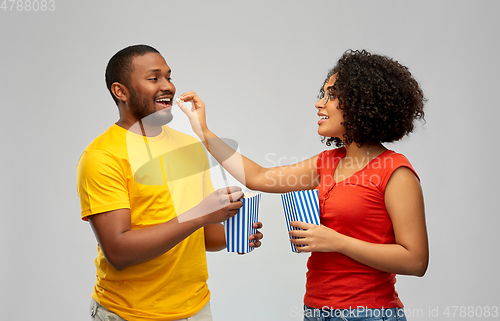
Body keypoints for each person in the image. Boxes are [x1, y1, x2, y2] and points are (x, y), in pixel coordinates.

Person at [178, 49, 428, 321]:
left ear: (362, 102)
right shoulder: (326, 163)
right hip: (316, 311)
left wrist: (336, 241)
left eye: (332, 95)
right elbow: (259, 177)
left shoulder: (395, 171)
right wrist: (202, 131)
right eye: (324, 93)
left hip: (369, 313)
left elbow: (415, 260)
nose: (320, 103)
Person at [76, 44, 263, 321]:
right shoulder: (102, 157)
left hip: (197, 309)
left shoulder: (188, 145)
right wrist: (201, 214)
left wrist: (232, 233)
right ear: (121, 91)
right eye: (154, 79)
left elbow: (203, 234)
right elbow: (118, 251)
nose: (168, 86)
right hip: (130, 314)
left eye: (169, 77)